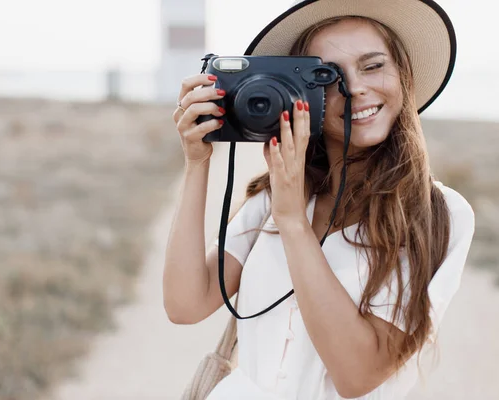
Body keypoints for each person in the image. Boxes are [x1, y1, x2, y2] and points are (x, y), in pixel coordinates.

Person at [164, 0, 475, 398]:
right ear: (300, 93)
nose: (356, 87)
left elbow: (357, 376)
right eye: (327, 74)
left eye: (373, 65)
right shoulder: (274, 196)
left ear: (403, 75)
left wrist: (293, 223)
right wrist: (197, 162)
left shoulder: (439, 214)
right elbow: (184, 304)